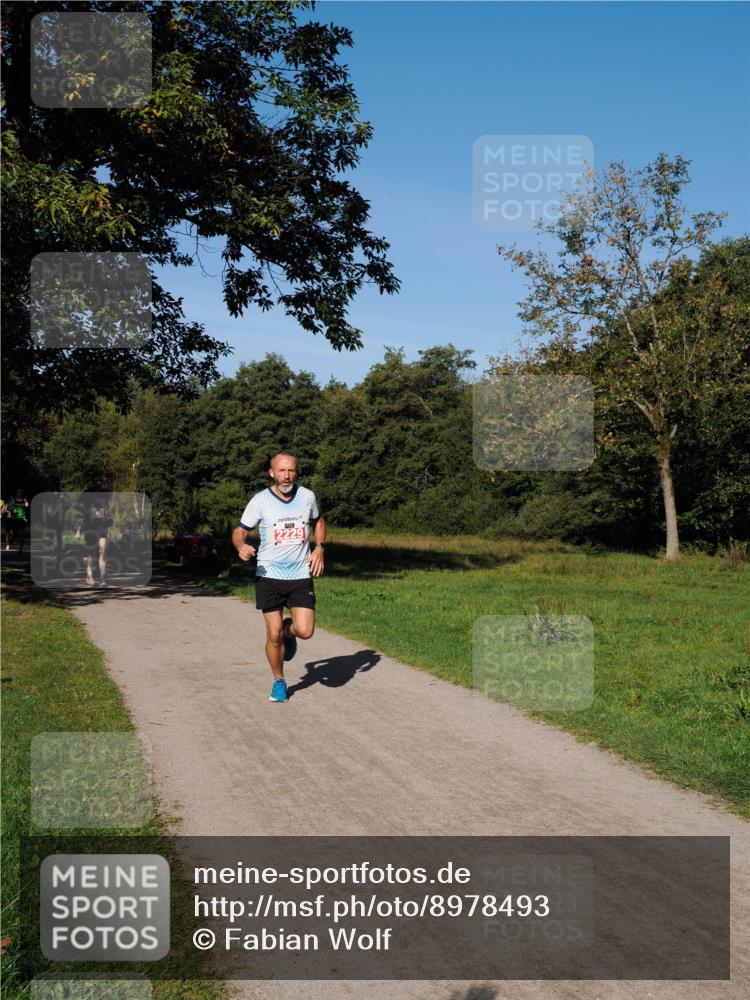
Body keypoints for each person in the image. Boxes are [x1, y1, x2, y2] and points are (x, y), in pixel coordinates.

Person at [232, 453, 326, 703]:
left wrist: (319, 548)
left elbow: (319, 521)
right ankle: (279, 681)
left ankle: (289, 630)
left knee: (305, 631)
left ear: (296, 472)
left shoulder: (307, 496)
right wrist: (241, 546)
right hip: (269, 575)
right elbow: (240, 531)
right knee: (273, 635)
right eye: (282, 471)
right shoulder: (260, 500)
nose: (287, 476)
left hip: (300, 575)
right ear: (271, 472)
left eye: (291, 470)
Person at [82, 495, 112, 586]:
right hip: (90, 528)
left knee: (103, 551)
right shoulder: (87, 495)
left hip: (102, 528)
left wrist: (107, 516)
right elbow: (80, 508)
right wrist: (89, 512)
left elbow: (108, 511)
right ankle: (89, 573)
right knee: (91, 553)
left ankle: (102, 578)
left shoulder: (105, 495)